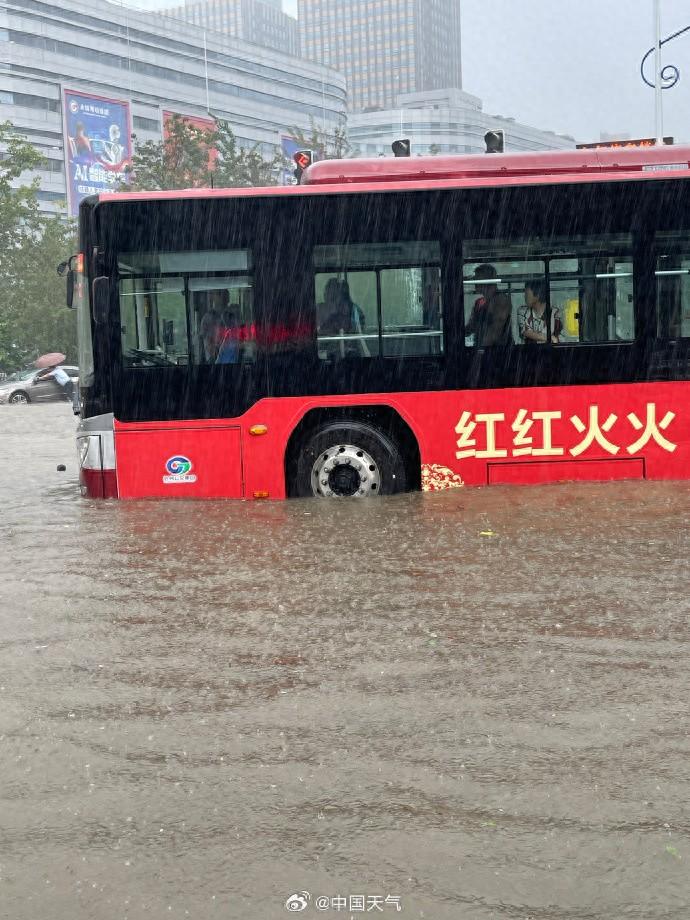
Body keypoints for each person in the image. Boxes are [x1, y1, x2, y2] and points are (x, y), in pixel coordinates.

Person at [465, 264, 512, 347]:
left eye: (477, 278)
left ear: (486, 280)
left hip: (499, 350)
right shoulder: (479, 302)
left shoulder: (502, 300)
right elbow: (472, 326)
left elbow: (495, 330)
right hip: (481, 347)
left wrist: (481, 350)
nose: (474, 282)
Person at [518, 278, 562, 344]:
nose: (524, 296)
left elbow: (559, 337)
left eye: (527, 293)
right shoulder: (523, 311)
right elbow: (526, 331)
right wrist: (549, 338)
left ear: (537, 295)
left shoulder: (555, 313)